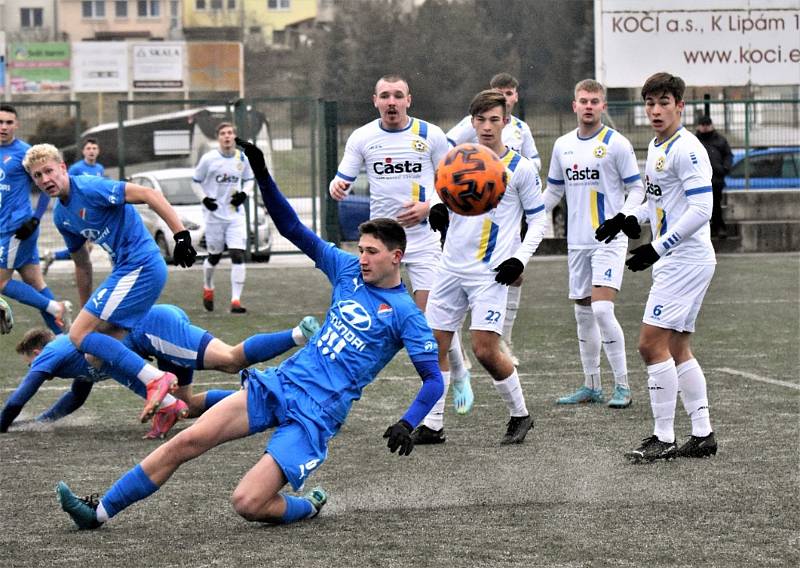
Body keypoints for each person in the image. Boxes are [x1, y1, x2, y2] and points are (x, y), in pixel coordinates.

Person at [55, 137, 444, 530]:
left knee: (248, 502)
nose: (362, 258)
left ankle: (307, 506)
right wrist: (261, 173)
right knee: (186, 441)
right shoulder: (346, 270)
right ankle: (99, 510)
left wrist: (408, 422)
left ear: (396, 257)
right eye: (360, 249)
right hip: (280, 384)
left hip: (317, 414)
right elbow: (291, 226)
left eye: (372, 252)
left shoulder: (406, 314)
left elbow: (432, 379)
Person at [22, 143, 198, 427]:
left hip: (140, 265)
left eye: (49, 171)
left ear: (63, 168)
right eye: (37, 176)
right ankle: (171, 404)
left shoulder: (90, 187)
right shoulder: (61, 216)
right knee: (93, 352)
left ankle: (156, 379)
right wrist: (84, 311)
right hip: (127, 271)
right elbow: (82, 264)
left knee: (80, 336)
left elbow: (149, 194)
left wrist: (181, 236)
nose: (45, 180)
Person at [328, 74, 473, 413]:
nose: (391, 102)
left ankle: (456, 376)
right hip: (381, 244)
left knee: (429, 323)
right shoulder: (363, 137)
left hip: (423, 241)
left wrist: (430, 205)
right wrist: (338, 186)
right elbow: (343, 178)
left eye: (397, 95)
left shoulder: (430, 135)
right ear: (375, 100)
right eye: (385, 96)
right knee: (364, 318)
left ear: (409, 100)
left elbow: (453, 182)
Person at [413, 90, 547, 446]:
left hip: (490, 273)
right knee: (433, 346)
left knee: (485, 349)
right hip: (449, 269)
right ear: (472, 122)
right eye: (480, 119)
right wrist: (436, 208)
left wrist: (520, 258)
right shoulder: (455, 161)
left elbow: (538, 222)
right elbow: (441, 195)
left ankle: (521, 414)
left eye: (494, 119)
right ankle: (434, 424)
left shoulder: (521, 168)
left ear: (506, 122)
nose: (487, 127)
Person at [611, 72, 718, 462]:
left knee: (649, 344)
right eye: (650, 104)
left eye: (663, 103)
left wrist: (657, 247)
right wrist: (627, 220)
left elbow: (701, 210)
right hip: (680, 259)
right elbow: (658, 203)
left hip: (684, 260)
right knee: (676, 345)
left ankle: (664, 437)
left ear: (679, 106)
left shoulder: (687, 149)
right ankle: (702, 434)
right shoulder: (658, 145)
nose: (656, 110)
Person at [1, 309, 320, 438]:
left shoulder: (54, 351)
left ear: (37, 352)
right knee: (185, 407)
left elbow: (20, 395)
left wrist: (3, 425)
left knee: (230, 360)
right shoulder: (69, 359)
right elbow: (75, 397)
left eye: (30, 361)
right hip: (153, 336)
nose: (33, 369)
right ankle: (277, 406)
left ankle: (298, 334)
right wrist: (41, 421)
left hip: (153, 328)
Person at [542, 79, 644, 409]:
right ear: (574, 105)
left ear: (603, 107)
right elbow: (554, 192)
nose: (588, 106)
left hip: (610, 239)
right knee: (583, 314)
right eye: (583, 101)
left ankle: (623, 387)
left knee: (601, 308)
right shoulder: (562, 146)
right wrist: (523, 212)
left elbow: (637, 190)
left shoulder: (617, 144)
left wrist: (623, 217)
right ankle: (592, 385)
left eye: (594, 101)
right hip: (577, 242)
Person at [447, 72, 541, 370]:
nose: (487, 126)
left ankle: (503, 338)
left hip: (507, 216)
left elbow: (533, 163)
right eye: (482, 120)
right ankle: (460, 347)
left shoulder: (521, 130)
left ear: (515, 98)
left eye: (511, 93)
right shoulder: (471, 124)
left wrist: (519, 178)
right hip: (468, 225)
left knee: (511, 273)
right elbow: (447, 149)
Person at [0, 104, 72, 335]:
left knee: (1, 282)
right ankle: (67, 341)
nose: (4, 127)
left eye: (9, 122)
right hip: (6, 227)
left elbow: (44, 185)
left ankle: (56, 308)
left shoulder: (24, 152)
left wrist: (36, 219)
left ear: (17, 124)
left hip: (17, 227)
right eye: (0, 122)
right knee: (36, 284)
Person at [193, 122, 255, 314]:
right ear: (218, 137)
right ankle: (208, 286)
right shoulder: (209, 159)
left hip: (235, 215)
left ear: (235, 137)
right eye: (223, 133)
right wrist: (204, 199)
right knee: (215, 256)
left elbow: (250, 179)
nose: (227, 136)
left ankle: (236, 300)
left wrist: (244, 193)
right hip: (214, 216)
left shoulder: (242, 158)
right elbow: (195, 182)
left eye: (230, 133)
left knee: (237, 254)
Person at [44, 139, 105, 274]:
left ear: (98, 151)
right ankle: (77, 268)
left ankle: (55, 257)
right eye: (88, 148)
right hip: (78, 212)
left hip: (93, 211)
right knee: (83, 247)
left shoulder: (99, 168)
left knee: (86, 248)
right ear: (83, 151)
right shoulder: (76, 168)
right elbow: (66, 186)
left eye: (94, 148)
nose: (91, 151)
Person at [695, 116, 732, 238]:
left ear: (711, 125)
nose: (705, 127)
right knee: (700, 206)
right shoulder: (693, 141)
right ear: (699, 126)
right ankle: (708, 230)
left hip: (716, 179)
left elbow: (728, 155)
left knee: (716, 204)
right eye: (702, 124)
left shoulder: (720, 140)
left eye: (707, 124)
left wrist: (724, 168)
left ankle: (719, 227)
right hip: (698, 179)